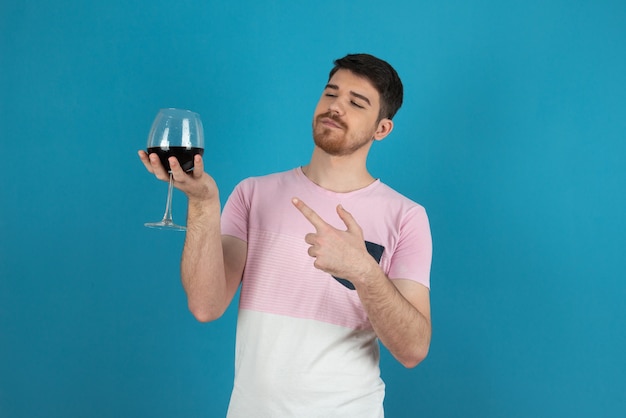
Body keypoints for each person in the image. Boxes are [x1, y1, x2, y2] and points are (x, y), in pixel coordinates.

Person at [138, 53, 432, 418]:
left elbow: (413, 349)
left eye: (356, 103)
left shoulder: (406, 217)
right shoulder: (253, 194)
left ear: (381, 129)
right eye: (331, 94)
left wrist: (364, 270)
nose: (336, 107)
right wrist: (203, 204)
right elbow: (205, 305)